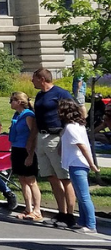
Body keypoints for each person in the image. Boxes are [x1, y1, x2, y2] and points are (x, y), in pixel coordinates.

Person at [29, 68, 77, 228]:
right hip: (42, 138)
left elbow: (73, 115)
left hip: (57, 137)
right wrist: (33, 140)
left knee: (64, 177)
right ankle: (61, 213)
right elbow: (37, 118)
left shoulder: (61, 93)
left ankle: (70, 215)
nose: (31, 81)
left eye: (34, 78)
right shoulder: (40, 95)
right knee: (51, 177)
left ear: (42, 79)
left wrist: (65, 140)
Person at [59, 100, 99, 234]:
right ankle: (82, 221)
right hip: (76, 163)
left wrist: (92, 163)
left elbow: (81, 145)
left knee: (83, 196)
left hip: (78, 163)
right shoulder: (77, 125)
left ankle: (91, 224)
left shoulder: (71, 127)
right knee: (81, 194)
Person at [8, 92, 41, 221]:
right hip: (16, 148)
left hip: (26, 150)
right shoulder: (17, 115)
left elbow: (33, 136)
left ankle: (37, 209)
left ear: (19, 102)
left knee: (31, 180)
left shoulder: (28, 115)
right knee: (22, 179)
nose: (10, 103)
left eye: (12, 100)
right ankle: (28, 208)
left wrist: (30, 155)